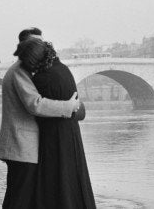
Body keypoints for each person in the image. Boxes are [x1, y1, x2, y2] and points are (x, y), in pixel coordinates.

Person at [0, 27, 81, 209]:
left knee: (18, 195)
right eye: (37, 43)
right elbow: (35, 104)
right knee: (19, 197)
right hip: (21, 145)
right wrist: (69, 106)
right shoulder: (19, 71)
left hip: (21, 146)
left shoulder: (23, 70)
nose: (41, 47)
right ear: (25, 47)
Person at [16, 38, 96, 208]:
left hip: (54, 138)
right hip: (71, 135)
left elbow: (37, 108)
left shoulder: (43, 79)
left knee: (55, 184)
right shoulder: (64, 70)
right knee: (73, 180)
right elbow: (78, 108)